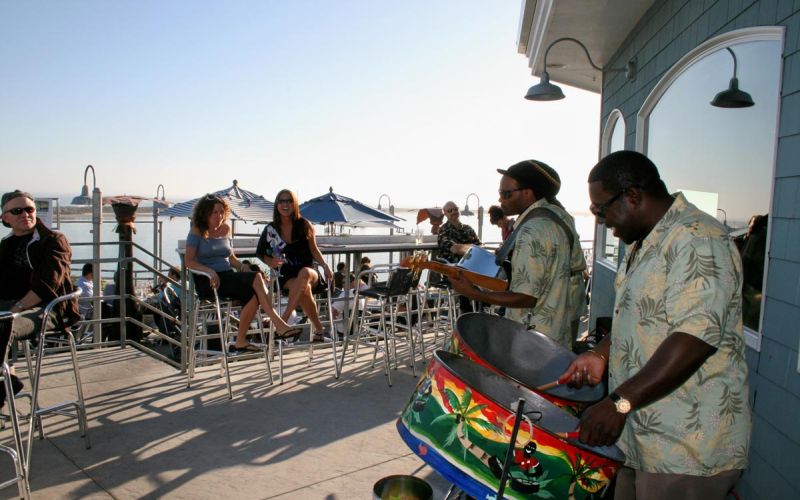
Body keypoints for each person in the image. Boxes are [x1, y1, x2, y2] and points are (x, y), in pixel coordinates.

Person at [559, 151, 750, 499]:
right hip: (641, 438)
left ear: (632, 196)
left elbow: (695, 338)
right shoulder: (646, 240)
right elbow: (642, 318)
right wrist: (601, 354)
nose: (600, 221)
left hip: (685, 449)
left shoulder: (697, 238)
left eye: (601, 209)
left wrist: (618, 403)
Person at [450, 160, 586, 349]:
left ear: (528, 193)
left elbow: (526, 297)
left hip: (536, 339)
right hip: (559, 327)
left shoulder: (532, 230)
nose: (500, 200)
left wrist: (473, 293)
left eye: (506, 194)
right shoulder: (558, 215)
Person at [186, 194, 302, 351]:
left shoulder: (226, 229)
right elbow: (189, 261)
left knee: (254, 294)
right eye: (215, 212)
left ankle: (241, 340)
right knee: (256, 278)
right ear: (205, 213)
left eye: (222, 212)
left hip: (227, 276)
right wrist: (209, 270)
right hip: (209, 281)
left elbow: (231, 258)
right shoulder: (197, 231)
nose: (219, 216)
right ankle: (279, 324)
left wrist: (242, 267)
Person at [0, 190, 81, 404]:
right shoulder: (5, 245)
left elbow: (47, 285)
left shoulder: (53, 240)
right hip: (11, 306)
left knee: (4, 325)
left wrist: (16, 308)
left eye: (30, 209)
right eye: (17, 210)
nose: (25, 214)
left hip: (47, 309)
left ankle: (4, 385)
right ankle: (7, 381)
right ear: (5, 218)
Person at [256, 189, 334, 342]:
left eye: (289, 201)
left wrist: (325, 266)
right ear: (277, 205)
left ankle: (282, 322)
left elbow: (314, 249)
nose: (285, 204)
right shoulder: (271, 230)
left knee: (304, 274)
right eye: (281, 201)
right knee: (304, 290)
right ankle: (319, 331)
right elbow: (260, 253)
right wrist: (270, 261)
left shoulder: (304, 225)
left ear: (294, 204)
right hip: (287, 276)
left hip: (310, 272)